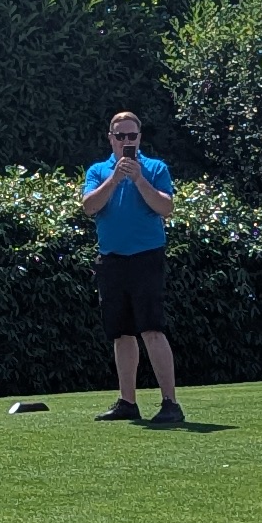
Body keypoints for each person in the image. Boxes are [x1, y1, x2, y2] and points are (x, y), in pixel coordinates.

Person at [79, 109, 185, 426]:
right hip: (111, 260)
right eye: (120, 135)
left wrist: (138, 179)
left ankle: (170, 403)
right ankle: (127, 402)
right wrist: (115, 179)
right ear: (111, 138)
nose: (127, 141)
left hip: (146, 257)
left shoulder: (155, 168)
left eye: (132, 135)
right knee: (121, 333)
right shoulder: (98, 171)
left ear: (139, 138)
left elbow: (166, 207)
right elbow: (89, 207)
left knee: (152, 328)